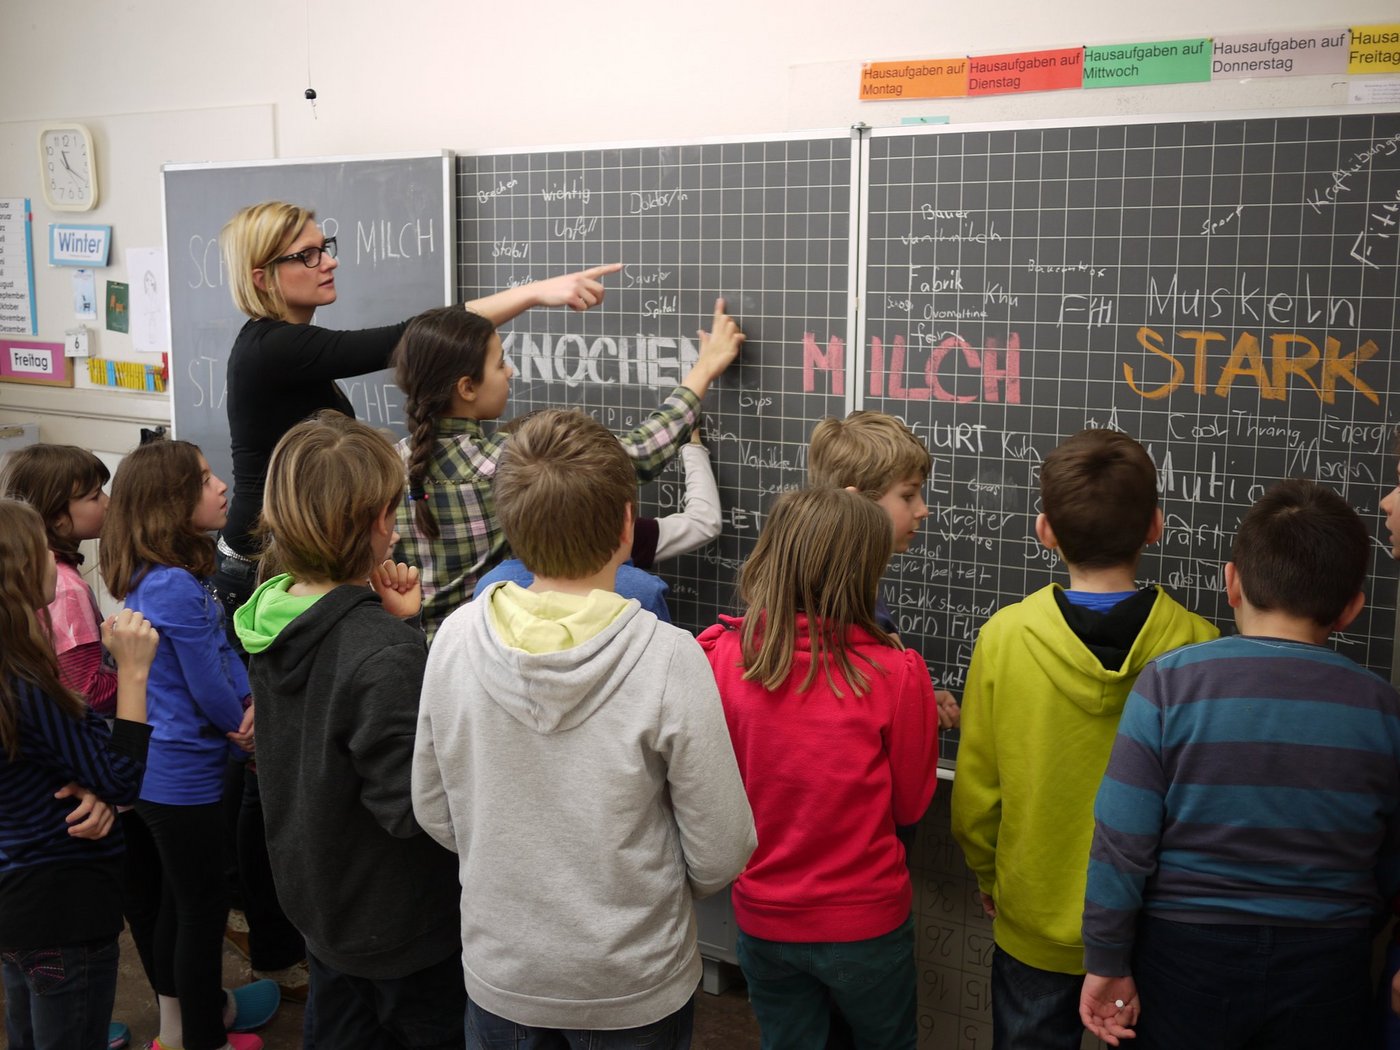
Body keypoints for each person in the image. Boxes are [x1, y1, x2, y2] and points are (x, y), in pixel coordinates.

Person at [213, 202, 619, 997]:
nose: (328, 261)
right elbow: (407, 338)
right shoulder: (270, 347)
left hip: (292, 566)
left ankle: (297, 920)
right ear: (264, 276)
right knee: (281, 761)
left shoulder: (283, 346)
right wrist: (534, 292)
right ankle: (282, 930)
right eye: (308, 253)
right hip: (268, 568)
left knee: (294, 750)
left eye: (326, 244)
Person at [411, 408, 756, 1046]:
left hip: (503, 969)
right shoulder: (667, 656)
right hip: (632, 977)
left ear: (508, 523)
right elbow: (722, 847)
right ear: (628, 523)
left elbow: (435, 809)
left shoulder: (455, 637)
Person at [1081, 478, 1400, 1050]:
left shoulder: (1171, 683)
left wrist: (1106, 957)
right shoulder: (1383, 709)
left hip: (1184, 956)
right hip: (1329, 960)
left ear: (1231, 583)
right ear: (1352, 608)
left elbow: (1121, 840)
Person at [950, 428, 1216, 1050]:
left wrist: (990, 877)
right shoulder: (1199, 646)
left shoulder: (1005, 638)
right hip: (1153, 925)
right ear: (1155, 526)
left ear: (1046, 531)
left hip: (1034, 914)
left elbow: (977, 794)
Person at [232, 412, 464, 1049]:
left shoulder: (272, 608)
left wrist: (395, 626)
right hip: (398, 924)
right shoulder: (379, 650)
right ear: (369, 523)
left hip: (322, 899)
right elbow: (411, 808)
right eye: (391, 512)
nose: (396, 528)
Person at [698, 486, 940, 1050]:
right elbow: (911, 804)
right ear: (865, 570)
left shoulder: (721, 656)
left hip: (762, 914)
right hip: (865, 920)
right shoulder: (896, 674)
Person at [394, 298, 743, 640]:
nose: (510, 371)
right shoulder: (506, 463)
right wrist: (704, 370)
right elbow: (639, 452)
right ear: (467, 388)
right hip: (504, 643)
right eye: (500, 364)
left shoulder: (390, 467)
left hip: (431, 658)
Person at [100, 441, 278, 1050]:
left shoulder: (170, 576)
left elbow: (221, 655)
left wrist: (244, 704)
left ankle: (183, 1030)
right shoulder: (173, 584)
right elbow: (208, 679)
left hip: (168, 772)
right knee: (201, 912)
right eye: (204, 479)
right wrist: (242, 721)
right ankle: (205, 1038)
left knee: (184, 903)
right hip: (181, 778)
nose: (222, 485)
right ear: (169, 504)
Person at [0, 498, 158, 1050]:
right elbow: (121, 778)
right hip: (60, 905)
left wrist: (91, 785)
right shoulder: (25, 682)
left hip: (22, 898)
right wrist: (135, 673)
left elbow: (73, 759)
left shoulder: (15, 670)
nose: (52, 555)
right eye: (39, 547)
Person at [472, 424, 723, 621]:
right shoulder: (640, 591)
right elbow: (703, 521)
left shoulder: (489, 591)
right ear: (626, 524)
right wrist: (692, 448)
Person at [807, 410, 959, 729]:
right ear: (857, 500)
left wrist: (918, 701)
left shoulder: (839, 580)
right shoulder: (847, 605)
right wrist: (912, 707)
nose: (923, 509)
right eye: (908, 495)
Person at [1, 445, 118, 718]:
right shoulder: (65, 588)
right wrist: (137, 667)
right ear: (57, 519)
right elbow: (88, 692)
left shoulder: (36, 576)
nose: (108, 502)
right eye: (94, 496)